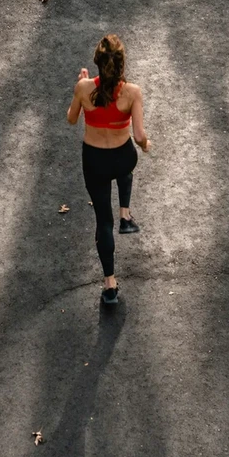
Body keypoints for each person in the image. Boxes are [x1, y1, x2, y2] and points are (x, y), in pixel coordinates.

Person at [66, 34, 150, 305]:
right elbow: (138, 135)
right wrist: (147, 144)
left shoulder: (83, 87)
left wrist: (81, 84)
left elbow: (71, 119)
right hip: (122, 158)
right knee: (126, 166)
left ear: (97, 63)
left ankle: (110, 285)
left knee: (103, 222)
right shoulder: (132, 92)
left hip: (95, 161)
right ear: (122, 65)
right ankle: (126, 215)